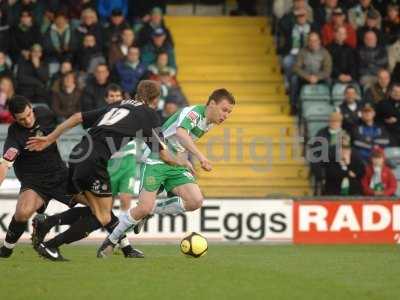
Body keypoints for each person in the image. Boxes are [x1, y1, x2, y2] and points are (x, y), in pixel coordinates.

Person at [27, 80, 193, 261]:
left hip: (78, 153)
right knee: (102, 216)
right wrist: (183, 162)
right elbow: (164, 155)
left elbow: (77, 117)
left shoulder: (119, 104)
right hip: (94, 161)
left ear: (137, 92)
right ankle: (51, 246)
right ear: (155, 99)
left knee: (97, 210)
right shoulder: (148, 114)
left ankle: (48, 223)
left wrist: (51, 138)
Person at [97, 88, 235, 257]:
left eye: (229, 112)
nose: (226, 115)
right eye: (224, 109)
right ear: (212, 104)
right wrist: (200, 157)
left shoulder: (209, 123)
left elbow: (180, 142)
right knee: (142, 208)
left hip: (174, 163)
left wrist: (184, 161)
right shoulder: (193, 113)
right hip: (156, 158)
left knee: (195, 200)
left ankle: (151, 211)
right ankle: (111, 241)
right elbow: (180, 133)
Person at [0, 96, 74, 258]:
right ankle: (6, 249)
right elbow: (5, 163)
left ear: (31, 108)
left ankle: (124, 245)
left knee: (95, 207)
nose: (27, 120)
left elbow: (66, 123)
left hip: (59, 175)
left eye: (29, 115)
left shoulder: (45, 114)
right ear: (14, 118)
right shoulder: (15, 134)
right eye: (22, 119)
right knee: (22, 213)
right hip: (35, 182)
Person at [291, 32, 332, 113]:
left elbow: (327, 70)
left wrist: (317, 77)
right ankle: (294, 105)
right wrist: (307, 77)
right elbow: (296, 68)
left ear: (319, 41)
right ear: (308, 42)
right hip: (305, 78)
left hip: (319, 78)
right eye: (311, 41)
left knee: (329, 80)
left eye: (315, 41)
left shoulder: (325, 53)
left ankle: (329, 105)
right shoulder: (302, 52)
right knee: (294, 79)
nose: (313, 43)